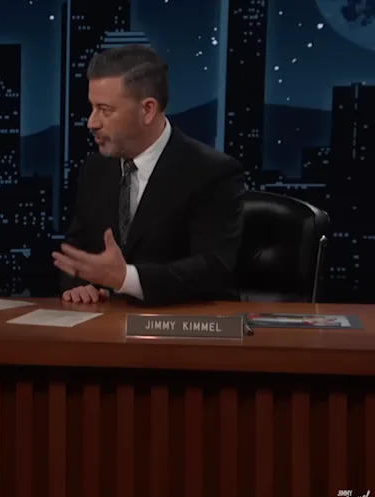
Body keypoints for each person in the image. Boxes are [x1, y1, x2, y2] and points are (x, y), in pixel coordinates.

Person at [52, 45, 245, 306]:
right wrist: (78, 285)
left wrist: (126, 279)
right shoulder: (97, 168)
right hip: (106, 328)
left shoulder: (212, 172)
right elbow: (77, 252)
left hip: (185, 332)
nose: (91, 122)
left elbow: (212, 269)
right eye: (92, 108)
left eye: (105, 110)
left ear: (147, 110)